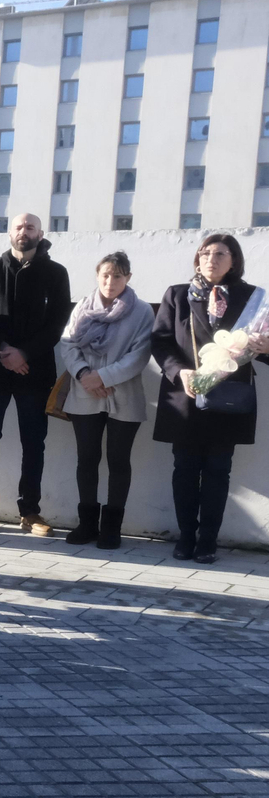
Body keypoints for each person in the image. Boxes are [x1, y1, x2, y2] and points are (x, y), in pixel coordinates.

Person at [150, 233, 269, 564]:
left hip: (229, 397)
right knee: (184, 469)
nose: (210, 259)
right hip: (186, 396)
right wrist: (181, 372)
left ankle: (208, 541)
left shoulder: (253, 298)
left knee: (218, 470)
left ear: (234, 260)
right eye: (205, 253)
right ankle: (186, 536)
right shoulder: (178, 295)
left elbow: (261, 345)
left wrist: (265, 347)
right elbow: (160, 341)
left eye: (219, 254)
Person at [0, 213, 73, 536]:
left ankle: (30, 512)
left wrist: (24, 354)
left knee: (34, 443)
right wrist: (4, 350)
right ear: (9, 233)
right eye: (19, 227)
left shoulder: (56, 273)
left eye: (30, 227)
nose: (24, 232)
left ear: (41, 233)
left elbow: (58, 323)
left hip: (36, 371)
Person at [59, 251, 154, 551]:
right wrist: (84, 374)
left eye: (117, 276)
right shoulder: (83, 307)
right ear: (97, 276)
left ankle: (112, 528)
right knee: (87, 459)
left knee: (118, 460)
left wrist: (103, 377)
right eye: (105, 275)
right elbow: (68, 344)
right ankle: (87, 523)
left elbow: (140, 355)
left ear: (128, 277)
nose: (110, 282)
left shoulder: (142, 311)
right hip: (84, 392)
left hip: (123, 394)